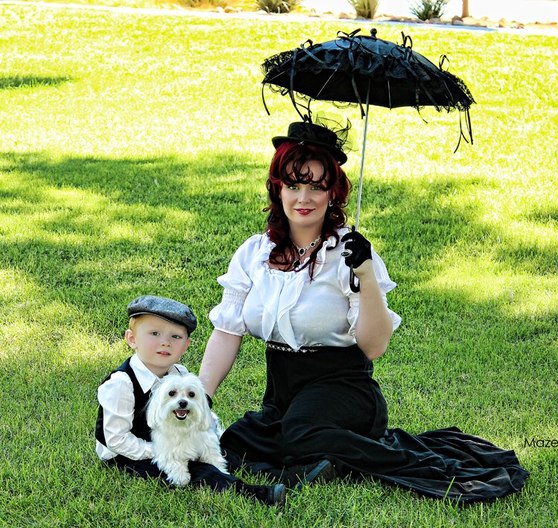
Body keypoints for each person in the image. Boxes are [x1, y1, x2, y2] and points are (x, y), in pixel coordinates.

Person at [198, 121, 529, 503]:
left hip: (344, 387)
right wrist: (201, 396)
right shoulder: (255, 253)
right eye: (293, 185)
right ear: (278, 189)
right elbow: (227, 331)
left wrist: (366, 276)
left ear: (333, 193)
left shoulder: (351, 254)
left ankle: (382, 459)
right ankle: (318, 457)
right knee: (236, 441)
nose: (304, 197)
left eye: (316, 187)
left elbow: (374, 347)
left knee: (300, 434)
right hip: (282, 393)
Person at [95, 295, 286, 506]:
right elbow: (116, 439)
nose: (165, 342)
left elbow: (195, 415)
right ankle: (254, 493)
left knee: (227, 451)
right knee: (201, 471)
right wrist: (167, 453)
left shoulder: (179, 374)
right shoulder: (121, 384)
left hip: (176, 441)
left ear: (186, 346)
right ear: (132, 339)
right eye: (154, 333)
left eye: (175, 336)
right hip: (129, 454)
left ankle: (284, 473)